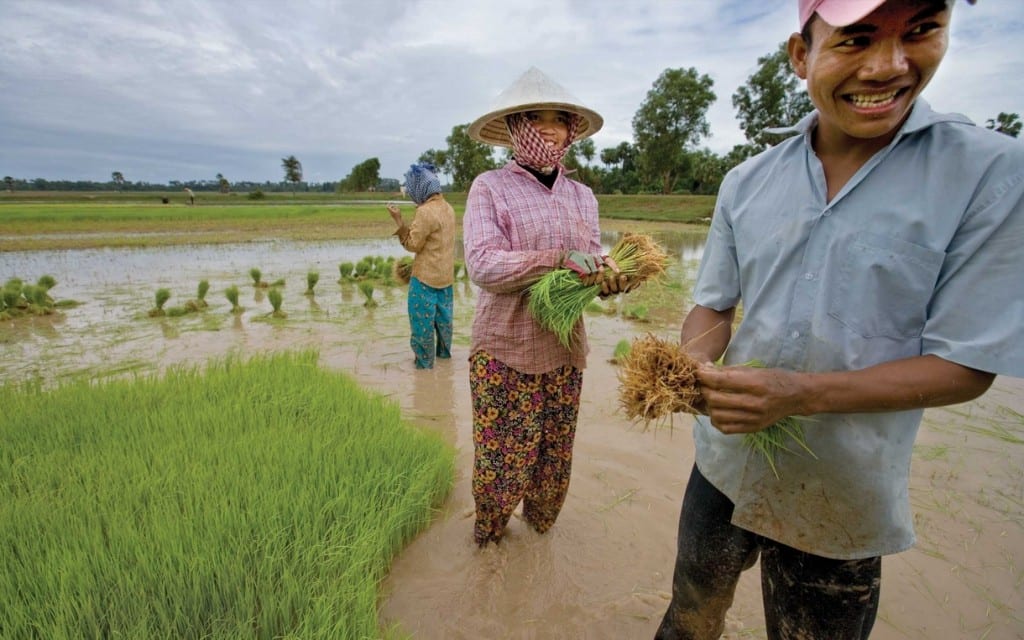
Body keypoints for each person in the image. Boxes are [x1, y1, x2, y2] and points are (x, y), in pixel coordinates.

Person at [655, 0, 1022, 638]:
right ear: (802, 55)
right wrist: (689, 367)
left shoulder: (990, 173)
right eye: (856, 39)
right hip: (723, 464)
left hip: (843, 493)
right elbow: (713, 304)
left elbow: (965, 366)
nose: (888, 65)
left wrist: (798, 395)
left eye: (921, 31)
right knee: (689, 617)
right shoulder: (746, 181)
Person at [463, 66, 632, 547]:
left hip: (564, 351)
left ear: (570, 130)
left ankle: (538, 541)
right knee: (501, 465)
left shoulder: (583, 196)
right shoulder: (490, 187)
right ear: (515, 126)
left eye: (558, 119)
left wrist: (608, 279)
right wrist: (558, 259)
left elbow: (593, 263)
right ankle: (490, 540)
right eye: (535, 118)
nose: (548, 128)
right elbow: (483, 265)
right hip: (504, 351)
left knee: (553, 463)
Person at [386, 163, 456, 370]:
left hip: (425, 281)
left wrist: (399, 221)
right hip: (446, 280)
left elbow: (413, 245)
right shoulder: (448, 208)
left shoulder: (425, 212)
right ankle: (444, 369)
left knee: (422, 331)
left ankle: (424, 371)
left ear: (420, 188)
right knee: (444, 328)